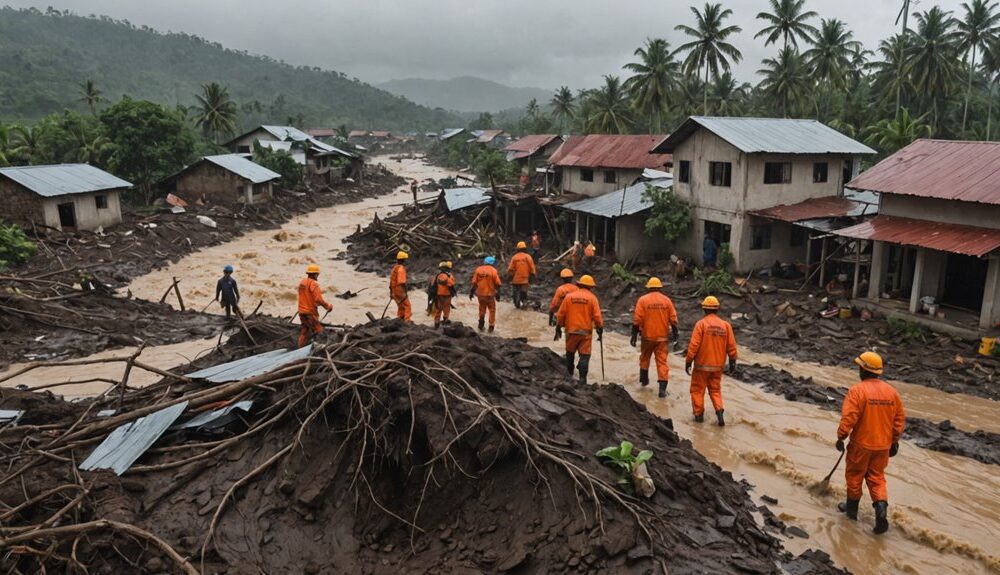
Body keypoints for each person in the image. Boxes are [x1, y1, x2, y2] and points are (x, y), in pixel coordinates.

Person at [836, 351, 905, 535]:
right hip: (883, 446)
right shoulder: (892, 393)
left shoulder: (857, 391)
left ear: (862, 369)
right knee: (877, 478)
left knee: (855, 476)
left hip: (861, 445)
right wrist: (894, 441)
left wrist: (841, 436)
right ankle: (881, 508)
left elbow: (849, 418)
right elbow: (898, 421)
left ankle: (851, 513)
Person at [685, 296, 737, 426]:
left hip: (701, 366)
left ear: (704, 309)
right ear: (717, 309)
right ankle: (719, 413)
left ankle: (698, 417)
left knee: (697, 390)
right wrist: (732, 362)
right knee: (715, 390)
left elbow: (694, 345)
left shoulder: (701, 324)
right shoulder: (726, 326)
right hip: (718, 367)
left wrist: (688, 361)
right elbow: (731, 346)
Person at [631, 277, 679, 398]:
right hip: (662, 338)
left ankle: (644, 381)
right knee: (662, 362)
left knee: (644, 358)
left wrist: (633, 335)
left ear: (649, 287)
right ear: (659, 287)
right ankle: (662, 390)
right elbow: (673, 320)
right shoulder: (667, 301)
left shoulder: (643, 300)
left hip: (647, 337)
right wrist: (675, 335)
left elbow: (637, 319)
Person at [555, 275, 603, 386]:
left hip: (571, 330)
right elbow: (597, 316)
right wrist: (599, 328)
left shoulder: (569, 297)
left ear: (579, 284)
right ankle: (582, 380)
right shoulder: (592, 298)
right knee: (585, 356)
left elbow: (561, 314)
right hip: (585, 332)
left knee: (570, 353)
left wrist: (558, 326)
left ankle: (570, 375)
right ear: (590, 287)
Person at [297, 264, 332, 348]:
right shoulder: (313, 284)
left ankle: (299, 348)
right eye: (317, 274)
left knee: (304, 331)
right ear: (315, 274)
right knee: (318, 329)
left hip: (302, 311)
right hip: (310, 312)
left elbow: (305, 296)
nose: (318, 276)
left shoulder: (302, 283)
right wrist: (327, 306)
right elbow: (318, 299)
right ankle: (320, 348)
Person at [470, 256, 502, 332]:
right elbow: (498, 284)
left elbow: (474, 283)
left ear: (485, 261)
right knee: (492, 310)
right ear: (492, 263)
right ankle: (491, 327)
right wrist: (498, 294)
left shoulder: (478, 270)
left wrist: (471, 292)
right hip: (490, 294)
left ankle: (481, 324)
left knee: (482, 308)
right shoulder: (493, 271)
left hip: (480, 294)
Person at [507, 241, 536, 309]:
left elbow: (511, 268)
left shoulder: (515, 257)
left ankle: (517, 301)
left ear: (517, 249)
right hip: (525, 278)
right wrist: (533, 274)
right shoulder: (528, 257)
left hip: (516, 279)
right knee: (524, 291)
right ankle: (524, 302)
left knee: (515, 290)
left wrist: (509, 276)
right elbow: (532, 267)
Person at [429, 260, 456, 328]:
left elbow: (432, 285)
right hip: (446, 296)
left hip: (438, 296)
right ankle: (445, 322)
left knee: (438, 310)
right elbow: (452, 284)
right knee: (446, 310)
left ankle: (436, 324)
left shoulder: (436, 276)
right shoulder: (448, 276)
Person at [390, 251, 412, 322]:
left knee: (401, 306)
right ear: (404, 260)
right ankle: (407, 321)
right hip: (399, 290)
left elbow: (391, 282)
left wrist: (391, 293)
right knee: (407, 306)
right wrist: (405, 291)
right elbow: (402, 282)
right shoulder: (401, 269)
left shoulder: (395, 268)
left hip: (394, 290)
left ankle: (400, 319)